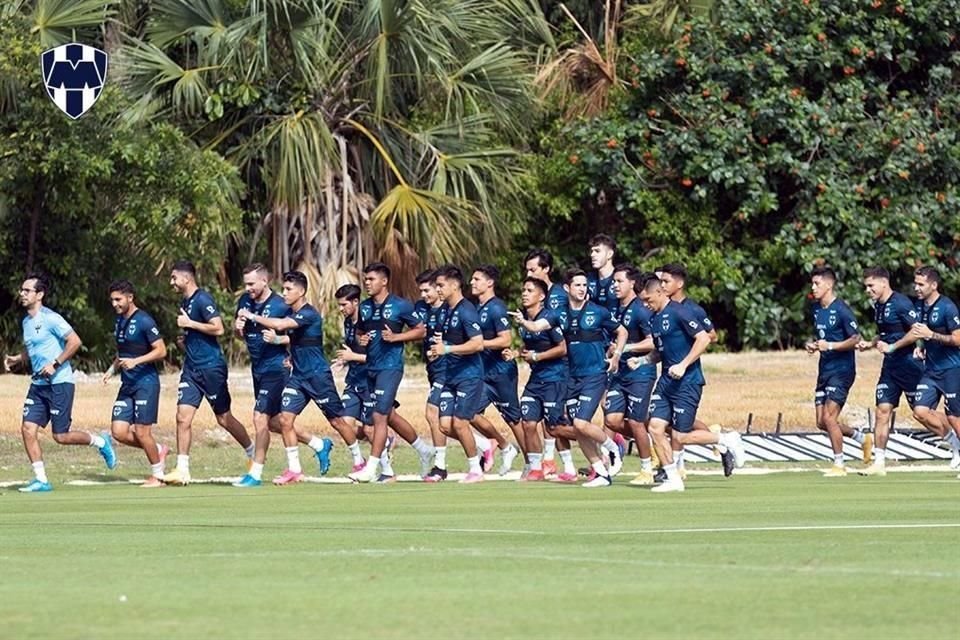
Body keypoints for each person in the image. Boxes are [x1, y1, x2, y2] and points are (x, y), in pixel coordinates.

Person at [237, 271, 352, 484]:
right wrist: (241, 328)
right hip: (266, 370)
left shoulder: (287, 306)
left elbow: (284, 329)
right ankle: (315, 448)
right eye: (246, 284)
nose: (248, 288)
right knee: (277, 421)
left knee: (261, 418)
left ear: (264, 280)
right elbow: (292, 338)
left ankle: (255, 474)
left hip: (284, 371)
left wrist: (276, 339)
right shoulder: (246, 301)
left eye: (252, 283)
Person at [4, 273, 115, 493]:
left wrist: (55, 364)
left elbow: (75, 341)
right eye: (22, 290)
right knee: (27, 429)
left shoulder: (51, 318)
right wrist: (19, 358)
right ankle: (41, 480)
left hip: (60, 383)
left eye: (27, 291)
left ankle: (101, 442)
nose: (22, 294)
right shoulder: (26, 321)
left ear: (40, 294)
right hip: (38, 385)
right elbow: (34, 347)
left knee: (60, 436)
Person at [637, 273, 743, 493]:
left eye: (648, 299)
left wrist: (683, 365)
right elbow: (661, 351)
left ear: (659, 292)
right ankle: (673, 478)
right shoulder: (654, 319)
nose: (646, 304)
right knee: (655, 428)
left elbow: (704, 338)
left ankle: (726, 439)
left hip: (688, 381)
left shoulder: (680, 312)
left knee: (680, 435)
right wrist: (643, 360)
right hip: (666, 382)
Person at [163, 261, 253, 485]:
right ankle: (182, 470)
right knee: (182, 418)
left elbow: (219, 328)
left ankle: (253, 455)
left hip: (211, 368)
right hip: (191, 370)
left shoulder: (203, 299)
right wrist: (187, 342)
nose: (171, 282)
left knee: (224, 418)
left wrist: (191, 324)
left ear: (187, 278)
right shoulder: (186, 301)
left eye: (174, 278)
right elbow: (200, 334)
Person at [349, 262, 434, 483]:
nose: (367, 283)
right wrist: (362, 339)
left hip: (391, 367)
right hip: (371, 368)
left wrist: (397, 337)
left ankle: (375, 468)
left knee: (378, 416)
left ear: (384, 281)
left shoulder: (400, 305)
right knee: (389, 416)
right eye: (365, 279)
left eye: (371, 279)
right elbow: (360, 333)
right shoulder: (365, 308)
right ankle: (424, 449)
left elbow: (421, 330)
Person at [856, 267, 930, 476]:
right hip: (890, 367)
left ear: (883, 282)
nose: (868, 290)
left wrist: (892, 347)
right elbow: (886, 334)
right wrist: (871, 344)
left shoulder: (901, 303)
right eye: (866, 287)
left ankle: (954, 442)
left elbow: (916, 331)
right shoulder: (878, 306)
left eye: (871, 286)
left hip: (909, 366)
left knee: (923, 415)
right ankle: (879, 462)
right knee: (882, 411)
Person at [561, 268, 627, 487]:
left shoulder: (597, 311)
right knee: (577, 428)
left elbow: (622, 331)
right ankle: (601, 472)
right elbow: (539, 325)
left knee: (581, 422)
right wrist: (525, 324)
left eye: (584, 284)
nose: (582, 288)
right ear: (567, 288)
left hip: (595, 375)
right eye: (577, 284)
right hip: (573, 378)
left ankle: (613, 448)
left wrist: (616, 355)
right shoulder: (560, 313)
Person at [804, 265, 871, 477]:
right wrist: (814, 345)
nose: (813, 287)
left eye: (817, 283)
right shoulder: (816, 309)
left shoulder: (841, 309)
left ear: (829, 284)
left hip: (842, 371)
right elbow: (824, 338)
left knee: (830, 418)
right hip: (824, 369)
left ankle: (839, 465)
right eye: (812, 283)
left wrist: (831, 346)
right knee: (821, 422)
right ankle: (862, 438)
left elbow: (855, 338)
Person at [103, 279, 167, 488]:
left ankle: (158, 476)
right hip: (127, 384)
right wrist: (112, 369)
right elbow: (123, 352)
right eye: (112, 300)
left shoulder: (144, 321)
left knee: (141, 432)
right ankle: (157, 449)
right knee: (118, 432)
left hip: (145, 383)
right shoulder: (119, 321)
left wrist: (136, 362)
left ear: (130, 298)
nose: (115, 304)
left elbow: (161, 350)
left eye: (118, 299)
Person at [427, 265, 487, 483]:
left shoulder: (466, 310)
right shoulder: (446, 310)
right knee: (444, 425)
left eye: (441, 285)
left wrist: (448, 350)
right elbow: (446, 341)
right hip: (450, 376)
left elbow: (478, 344)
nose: (438, 289)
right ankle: (483, 446)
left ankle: (475, 470)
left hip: (469, 376)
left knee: (460, 422)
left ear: (454, 285)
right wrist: (437, 351)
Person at [505, 277, 568, 481]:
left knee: (554, 427)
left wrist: (538, 357)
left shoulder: (549, 318)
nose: (524, 293)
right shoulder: (523, 322)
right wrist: (516, 353)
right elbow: (530, 346)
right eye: (523, 289)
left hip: (555, 378)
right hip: (536, 379)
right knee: (528, 423)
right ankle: (535, 468)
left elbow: (562, 348)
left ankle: (586, 453)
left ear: (541, 297)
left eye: (530, 290)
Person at [604, 264, 658, 485]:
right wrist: (612, 349)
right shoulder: (616, 309)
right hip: (621, 373)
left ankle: (647, 468)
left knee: (636, 422)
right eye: (614, 281)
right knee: (612, 419)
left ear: (632, 284)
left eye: (619, 281)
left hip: (641, 372)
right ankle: (652, 444)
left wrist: (625, 348)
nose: (615, 285)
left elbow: (652, 341)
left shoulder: (640, 309)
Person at [906, 266, 960, 477]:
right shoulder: (919, 306)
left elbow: (957, 339)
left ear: (934, 285)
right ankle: (955, 445)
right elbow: (922, 333)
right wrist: (920, 346)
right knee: (919, 411)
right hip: (931, 370)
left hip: (952, 369)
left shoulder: (947, 307)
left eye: (921, 284)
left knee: (955, 416)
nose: (916, 288)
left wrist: (931, 336)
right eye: (916, 283)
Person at [471, 264, 521, 475]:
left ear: (489, 283)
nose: (472, 283)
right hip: (483, 373)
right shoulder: (477, 308)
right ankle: (504, 446)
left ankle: (533, 463)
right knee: (467, 413)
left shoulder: (496, 307)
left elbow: (506, 339)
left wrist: (480, 344)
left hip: (501, 372)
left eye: (477, 279)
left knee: (514, 420)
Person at [524, 248, 569, 475]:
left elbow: (558, 333)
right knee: (536, 417)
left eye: (533, 270)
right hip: (542, 368)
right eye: (527, 270)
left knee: (558, 421)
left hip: (566, 363)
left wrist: (537, 353)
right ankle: (544, 464)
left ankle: (600, 444)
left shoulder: (558, 296)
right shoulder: (531, 301)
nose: (529, 274)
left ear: (546, 269)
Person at [332, 284, 376, 473]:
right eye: (339, 305)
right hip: (354, 380)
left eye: (344, 305)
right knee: (344, 424)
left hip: (370, 381)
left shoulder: (370, 322)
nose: (341, 309)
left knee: (369, 430)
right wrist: (344, 361)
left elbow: (377, 357)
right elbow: (354, 351)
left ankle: (384, 467)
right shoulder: (348, 322)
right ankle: (361, 461)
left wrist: (353, 357)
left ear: (356, 302)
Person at [586, 234, 619, 312]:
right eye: (591, 251)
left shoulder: (622, 278)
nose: (592, 255)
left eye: (597, 251)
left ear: (610, 254)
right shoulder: (588, 279)